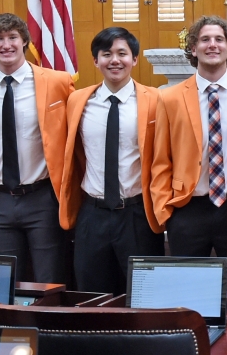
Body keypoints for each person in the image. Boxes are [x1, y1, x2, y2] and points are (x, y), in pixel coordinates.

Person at [151, 16, 227, 291]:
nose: (212, 45)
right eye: (204, 39)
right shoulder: (169, 98)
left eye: (219, 39)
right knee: (190, 293)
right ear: (193, 48)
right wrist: (165, 211)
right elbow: (160, 160)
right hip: (189, 208)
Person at [58, 27, 165, 295]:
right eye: (107, 54)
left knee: (142, 295)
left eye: (122, 53)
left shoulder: (155, 100)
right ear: (96, 60)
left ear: (134, 59)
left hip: (137, 214)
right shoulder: (78, 101)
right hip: (92, 214)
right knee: (92, 295)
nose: (114, 60)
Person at [0, 14, 75, 283]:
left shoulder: (57, 82)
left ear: (25, 41)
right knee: (3, 280)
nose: (6, 45)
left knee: (50, 280)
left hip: (42, 198)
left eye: (12, 37)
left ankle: (49, 325)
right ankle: (10, 326)